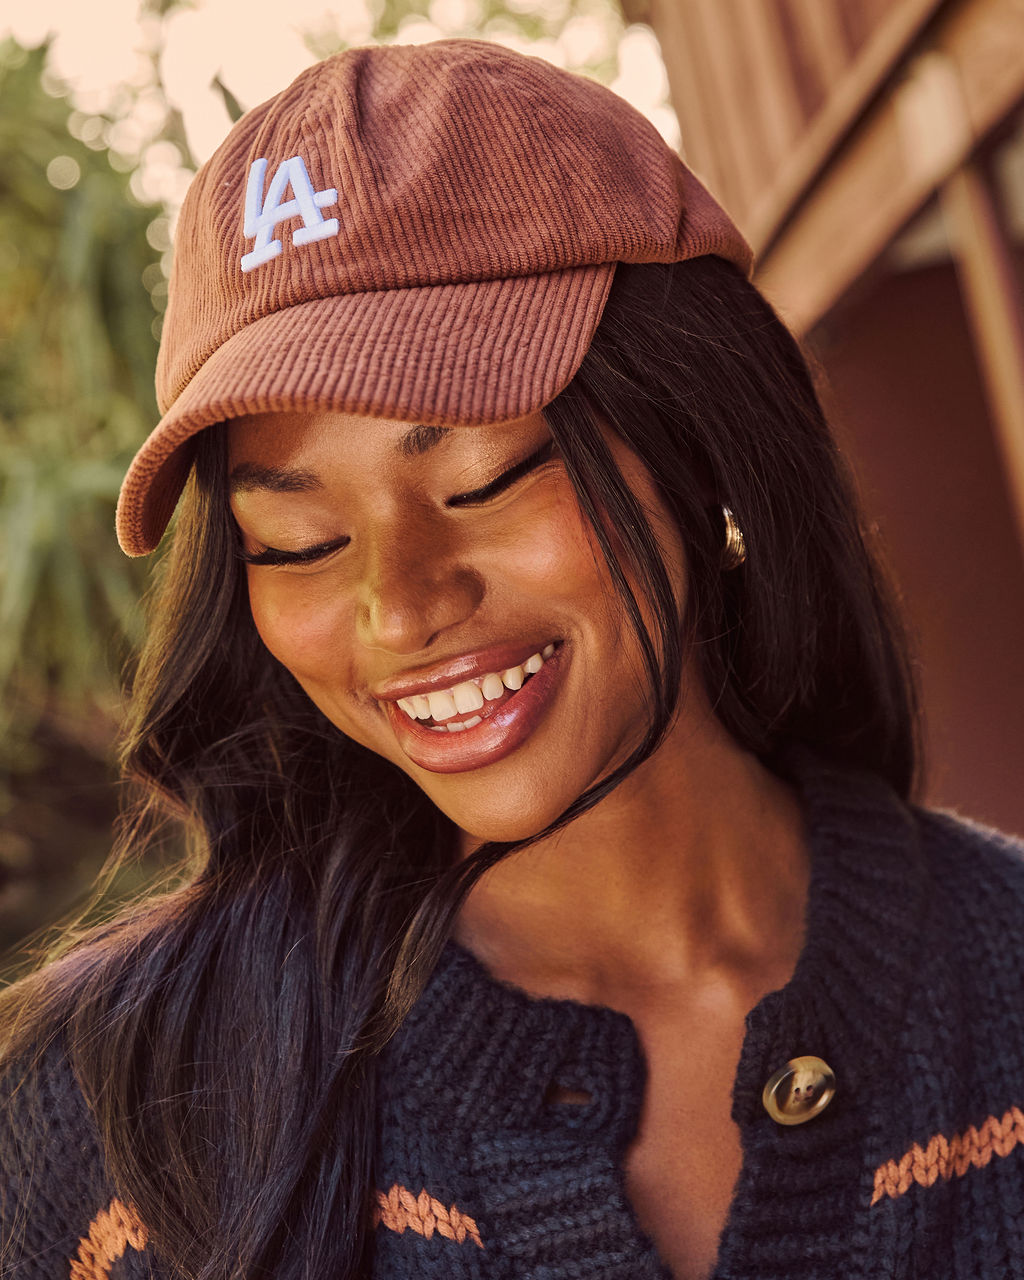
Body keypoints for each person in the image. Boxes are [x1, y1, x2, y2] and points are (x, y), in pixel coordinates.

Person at [2, 36, 1023, 1280]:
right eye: (301, 539)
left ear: (700, 439)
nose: (399, 604)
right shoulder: (111, 1118)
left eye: (482, 480)